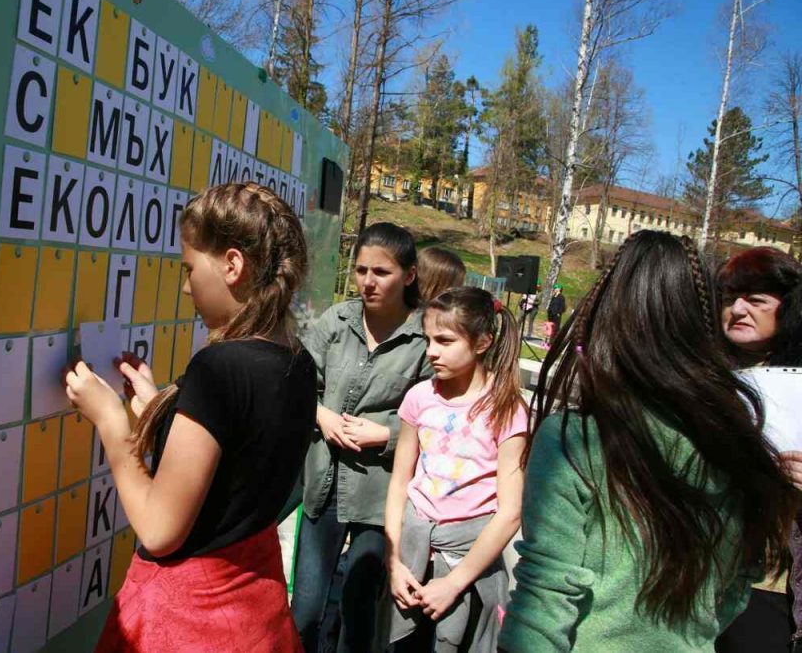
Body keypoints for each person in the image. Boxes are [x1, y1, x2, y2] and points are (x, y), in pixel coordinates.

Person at [500, 231, 796, 652]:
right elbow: (741, 577)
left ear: (605, 314)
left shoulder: (575, 438)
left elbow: (545, 597)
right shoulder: (733, 434)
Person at [64, 183, 315, 653]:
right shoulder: (298, 362)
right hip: (255, 615)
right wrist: (162, 408)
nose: (185, 286)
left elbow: (160, 530)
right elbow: (237, 460)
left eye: (189, 268)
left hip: (192, 623)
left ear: (233, 265)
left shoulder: (219, 367)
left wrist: (111, 423)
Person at [291, 222, 432, 653]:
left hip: (380, 493)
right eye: (360, 270)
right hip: (325, 482)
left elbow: (440, 419)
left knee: (358, 608)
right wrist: (322, 415)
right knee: (308, 607)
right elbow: (297, 383)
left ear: (408, 275)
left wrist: (387, 433)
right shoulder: (338, 320)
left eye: (381, 272)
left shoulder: (426, 338)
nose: (368, 282)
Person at [385, 287, 528, 651]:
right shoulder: (419, 397)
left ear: (482, 342)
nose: (432, 351)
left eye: (445, 341)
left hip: (468, 568)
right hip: (412, 565)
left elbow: (510, 512)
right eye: (429, 339)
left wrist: (454, 582)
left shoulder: (506, 409)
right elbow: (400, 483)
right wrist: (395, 562)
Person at [714, 246, 802, 653]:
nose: (738, 309)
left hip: (769, 588)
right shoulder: (698, 376)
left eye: (756, 299)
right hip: (696, 578)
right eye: (730, 298)